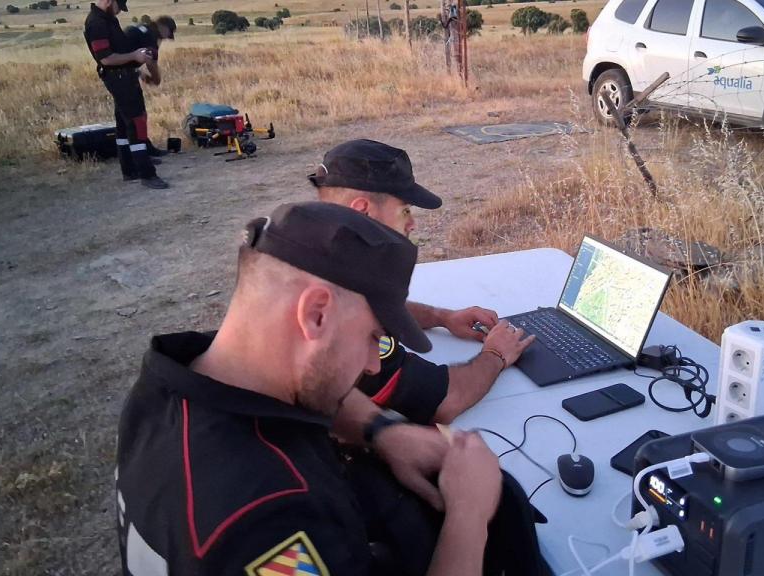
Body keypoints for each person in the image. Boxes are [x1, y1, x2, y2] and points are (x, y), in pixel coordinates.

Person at [115, 202, 547, 575]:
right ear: (316, 315)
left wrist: (382, 431)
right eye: (373, 337)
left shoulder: (169, 388)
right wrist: (469, 515)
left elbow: (310, 391)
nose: (373, 363)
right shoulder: (272, 524)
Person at [310, 139, 535, 424]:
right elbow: (444, 401)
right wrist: (496, 354)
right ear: (362, 211)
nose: (412, 224)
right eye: (404, 210)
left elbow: (376, 306)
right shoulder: (338, 305)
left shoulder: (306, 247)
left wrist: (442, 317)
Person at [83, 0, 168, 189]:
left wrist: (135, 65)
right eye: (118, 6)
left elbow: (117, 50)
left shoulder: (107, 19)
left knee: (123, 125)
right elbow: (106, 58)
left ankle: (129, 169)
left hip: (125, 76)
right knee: (137, 123)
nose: (119, 11)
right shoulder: (97, 23)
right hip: (119, 78)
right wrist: (134, 56)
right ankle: (147, 174)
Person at [124, 15, 175, 156]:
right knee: (138, 115)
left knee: (126, 116)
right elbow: (151, 63)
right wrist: (156, 80)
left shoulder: (142, 29)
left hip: (120, 73)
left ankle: (133, 151)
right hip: (124, 75)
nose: (164, 39)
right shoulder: (150, 36)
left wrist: (138, 73)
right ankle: (142, 153)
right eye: (167, 34)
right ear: (163, 27)